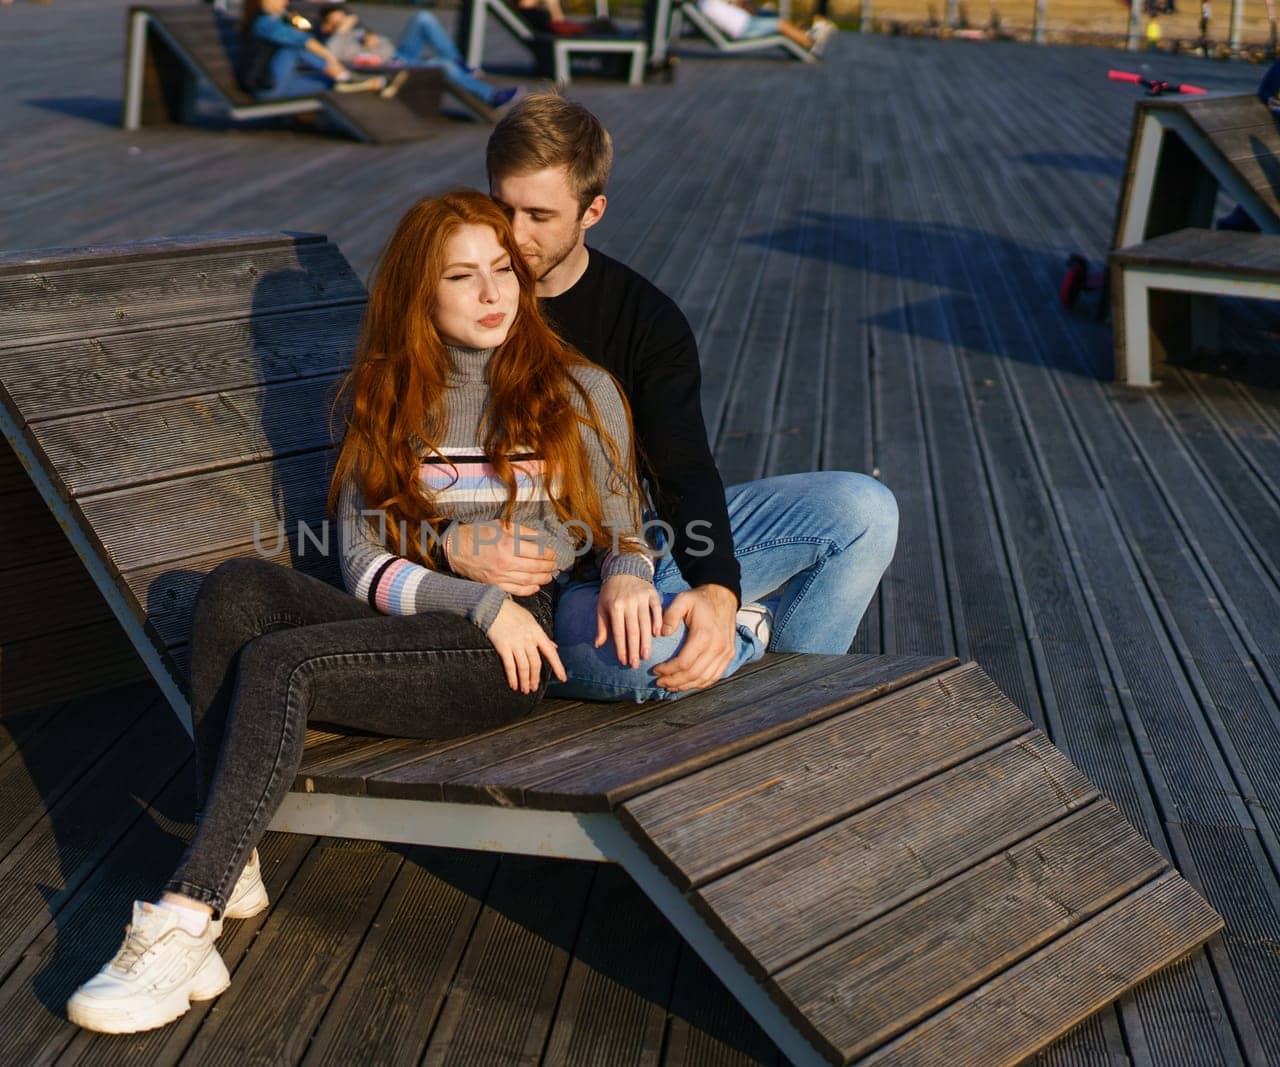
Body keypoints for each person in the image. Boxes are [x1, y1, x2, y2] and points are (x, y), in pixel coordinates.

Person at [64, 189, 750, 1035]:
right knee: (236, 585)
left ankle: (184, 916)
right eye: (464, 276)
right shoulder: (384, 396)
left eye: (503, 269)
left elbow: (619, 525)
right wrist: (474, 587)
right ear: (420, 296)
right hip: (434, 617)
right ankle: (229, 861)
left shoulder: (580, 387)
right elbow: (359, 562)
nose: (494, 292)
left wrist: (627, 572)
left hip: (511, 656)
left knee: (281, 663)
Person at [445, 94, 898, 702]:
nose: (516, 235)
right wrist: (446, 539)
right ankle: (754, 647)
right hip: (549, 576)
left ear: (592, 210)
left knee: (864, 509)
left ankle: (786, 695)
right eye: (503, 208)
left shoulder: (645, 319)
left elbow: (681, 465)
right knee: (650, 657)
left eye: (539, 215)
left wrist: (716, 587)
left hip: (637, 543)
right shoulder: (462, 299)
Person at [316, 4, 520, 108]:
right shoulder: (332, 42)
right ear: (327, 27)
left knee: (423, 17)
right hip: (392, 68)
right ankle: (490, 96)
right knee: (444, 66)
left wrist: (375, 41)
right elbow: (332, 56)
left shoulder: (357, 32)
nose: (344, 22)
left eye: (344, 18)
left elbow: (385, 46)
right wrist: (340, 31)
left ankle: (461, 64)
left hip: (398, 55)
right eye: (337, 21)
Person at [238, 0, 385, 100]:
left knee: (331, 84)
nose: (285, 2)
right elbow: (302, 41)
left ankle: (352, 81)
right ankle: (346, 76)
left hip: (283, 83)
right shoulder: (263, 23)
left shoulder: (280, 18)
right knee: (294, 49)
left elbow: (307, 36)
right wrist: (331, 59)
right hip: (265, 86)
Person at [696, 0, 837, 53]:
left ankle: (801, 32)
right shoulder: (708, 4)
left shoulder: (706, 4)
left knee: (765, 13)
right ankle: (809, 40)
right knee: (780, 25)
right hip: (744, 27)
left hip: (743, 23)